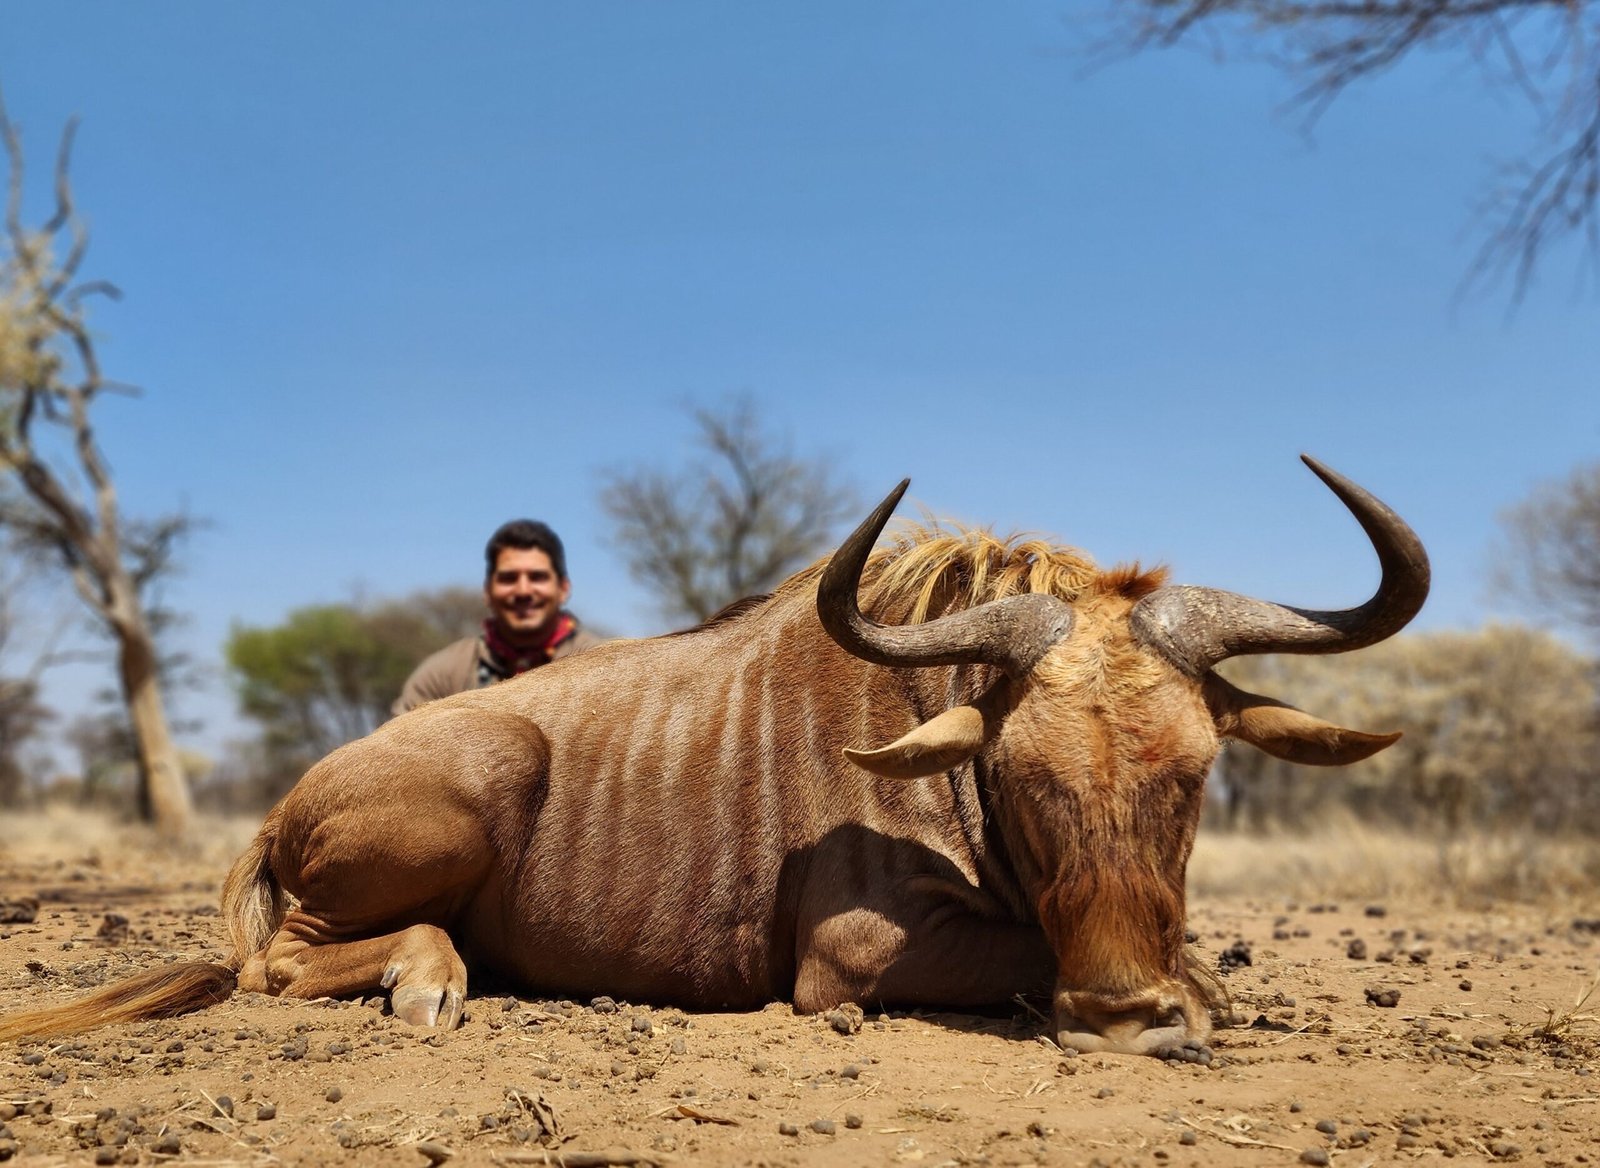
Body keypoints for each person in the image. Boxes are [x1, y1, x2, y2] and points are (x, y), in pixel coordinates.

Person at [392, 519, 601, 715]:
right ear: (487, 591)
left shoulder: (601, 667)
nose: (523, 591)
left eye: (537, 577)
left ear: (563, 589)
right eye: (508, 578)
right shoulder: (441, 677)